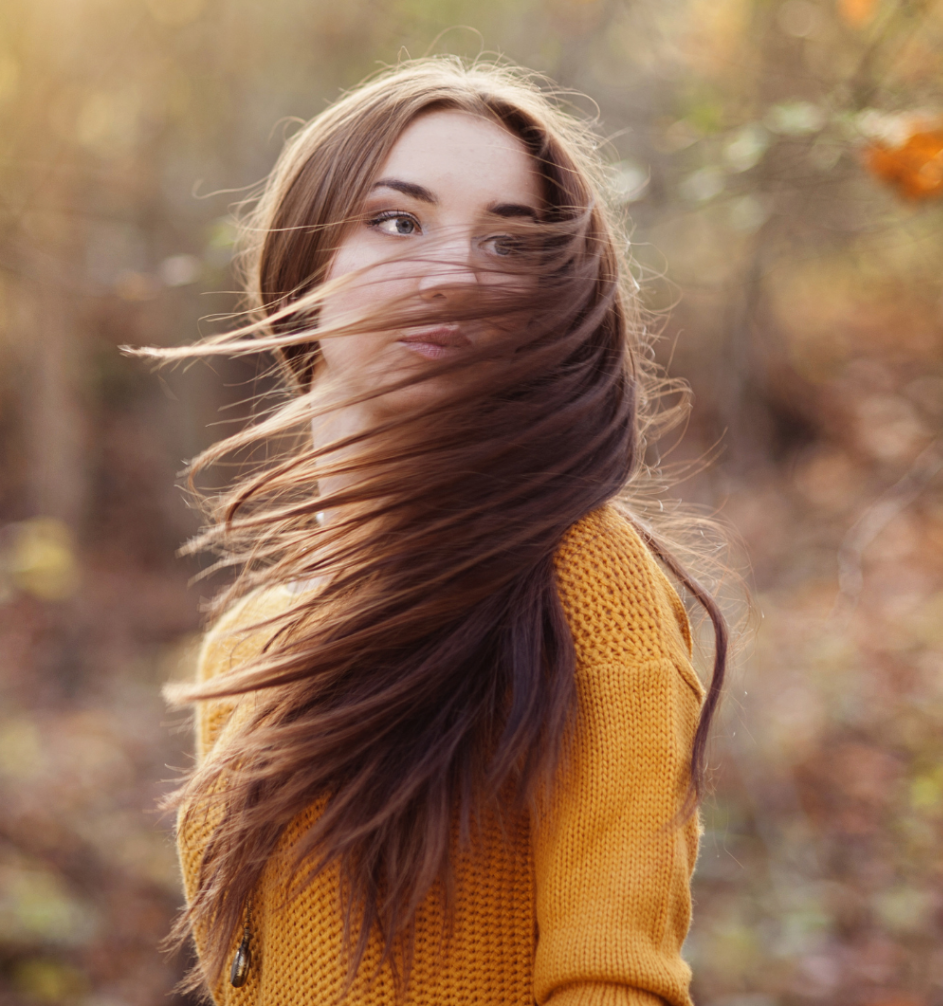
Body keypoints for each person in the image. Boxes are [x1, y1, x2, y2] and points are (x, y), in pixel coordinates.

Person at [150, 56, 727, 1006]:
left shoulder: (583, 577)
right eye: (396, 220)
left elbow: (615, 978)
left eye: (509, 244)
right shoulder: (250, 642)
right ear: (305, 255)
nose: (454, 274)